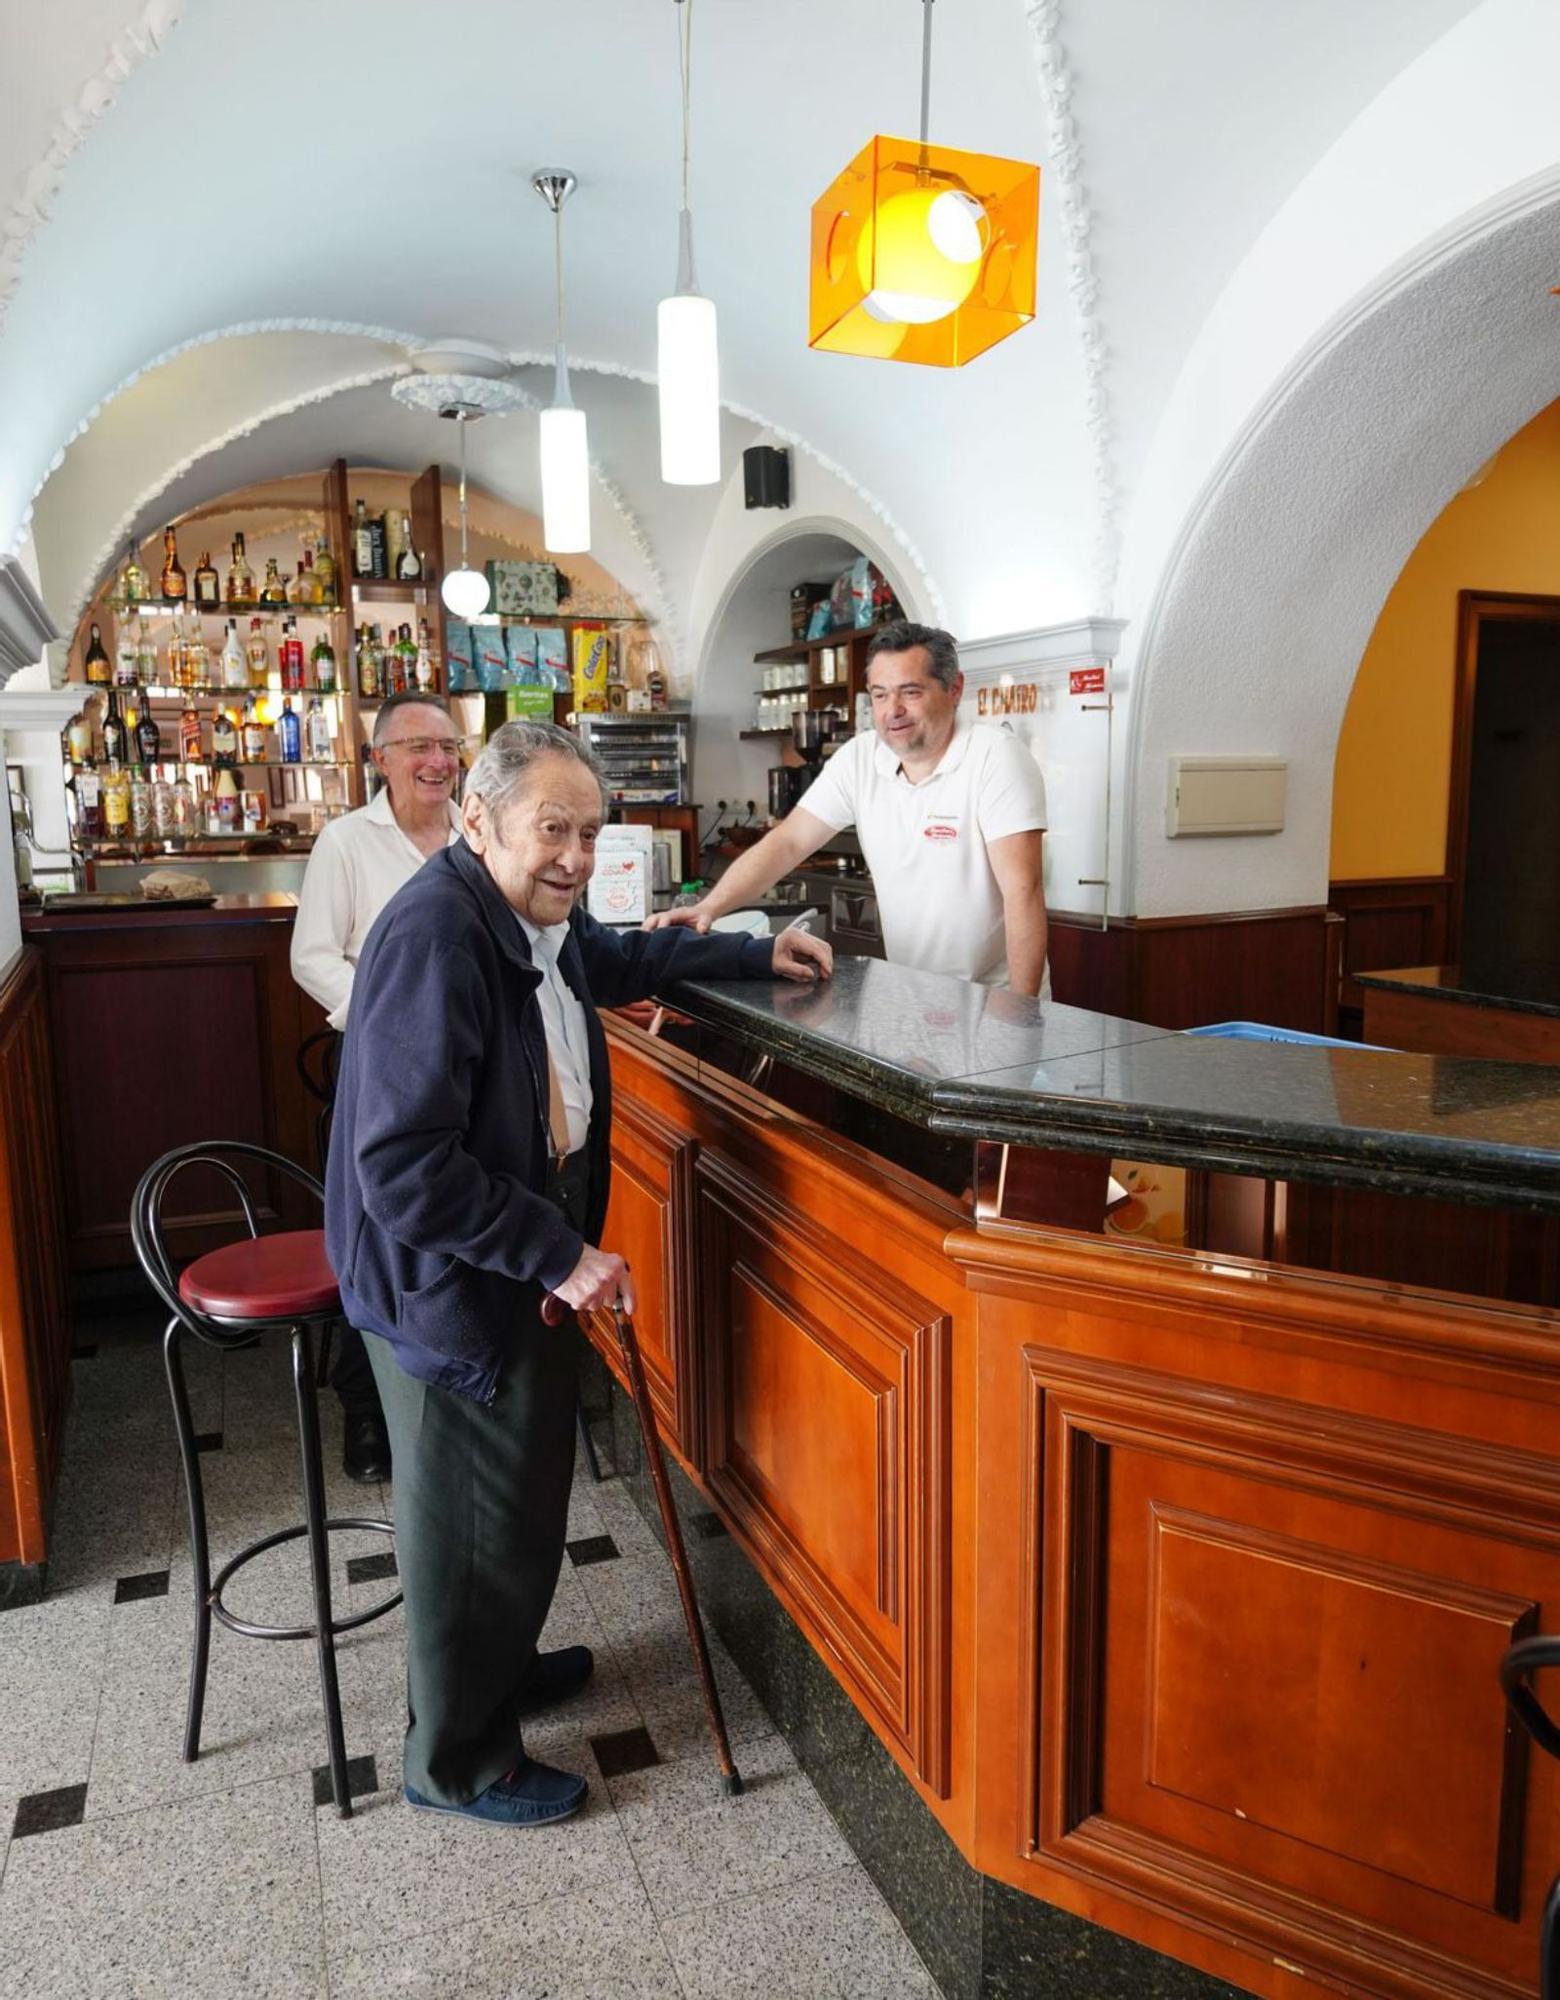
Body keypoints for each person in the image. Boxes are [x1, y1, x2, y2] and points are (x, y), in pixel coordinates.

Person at [323, 719, 832, 1828]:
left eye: (590, 830)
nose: (575, 855)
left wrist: (749, 948)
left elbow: (617, 957)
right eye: (552, 828)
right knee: (471, 1512)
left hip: (504, 1255)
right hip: (444, 1277)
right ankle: (454, 1754)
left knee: (519, 1496)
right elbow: (405, 1168)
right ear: (476, 820)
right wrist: (556, 1247)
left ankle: (495, 1667)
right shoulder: (436, 937)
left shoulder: (530, 915)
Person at [649, 619, 1050, 994]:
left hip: (993, 996)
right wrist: (708, 909)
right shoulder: (860, 758)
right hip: (914, 992)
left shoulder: (995, 758)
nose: (892, 711)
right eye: (879, 695)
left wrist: (1019, 1014)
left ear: (954, 688)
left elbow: (1023, 891)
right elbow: (788, 842)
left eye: (910, 692)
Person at [290, 691, 464, 1483]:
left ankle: (454, 1385)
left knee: (453, 1230)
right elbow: (313, 955)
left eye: (450, 746)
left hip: (467, 1068)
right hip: (380, 1070)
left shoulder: (478, 830)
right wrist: (393, 1018)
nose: (437, 761)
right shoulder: (346, 841)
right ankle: (366, 1414)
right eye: (419, 746)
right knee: (379, 1241)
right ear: (381, 759)